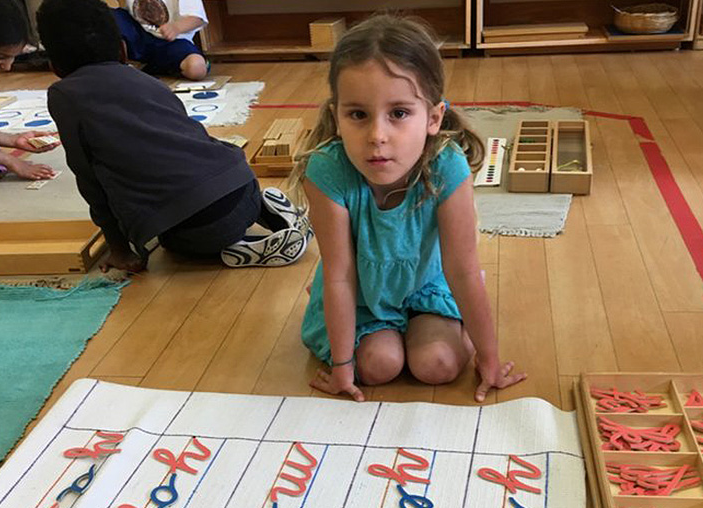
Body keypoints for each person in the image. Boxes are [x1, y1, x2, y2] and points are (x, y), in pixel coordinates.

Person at [292, 14, 527, 403]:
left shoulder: (446, 166)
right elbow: (339, 276)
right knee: (377, 366)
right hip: (363, 296)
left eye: (399, 113)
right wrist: (341, 367)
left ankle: (439, 328)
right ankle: (380, 334)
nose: (377, 137)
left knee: (438, 365)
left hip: (427, 286)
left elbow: (463, 269)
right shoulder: (326, 171)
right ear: (336, 117)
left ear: (433, 118)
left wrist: (489, 359)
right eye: (358, 115)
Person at [36, 0, 311, 272]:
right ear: (122, 50)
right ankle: (265, 212)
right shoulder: (149, 81)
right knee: (203, 168)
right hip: (243, 183)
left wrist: (119, 248)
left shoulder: (64, 96)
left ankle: (238, 246)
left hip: (199, 230)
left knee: (171, 244)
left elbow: (89, 178)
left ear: (54, 66)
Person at [0, 0, 58, 191]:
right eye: (0, 57)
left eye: (14, 57)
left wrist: (13, 140)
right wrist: (12, 161)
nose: (7, 66)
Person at [112, 0, 209, 81]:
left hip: (172, 42)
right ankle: (129, 66)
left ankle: (153, 67)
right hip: (137, 35)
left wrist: (176, 27)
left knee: (196, 68)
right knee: (105, 13)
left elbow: (197, 18)